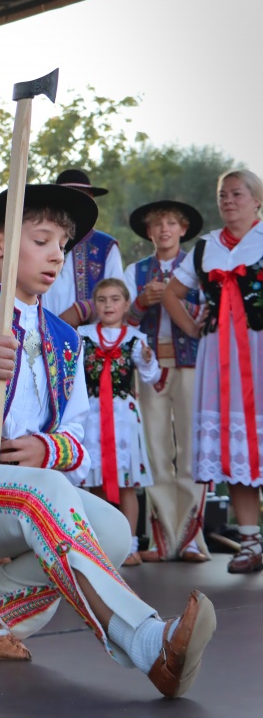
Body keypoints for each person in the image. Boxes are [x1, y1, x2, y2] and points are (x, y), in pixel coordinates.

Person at [0, 183, 216, 699]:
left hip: (23, 499)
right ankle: (147, 642)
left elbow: (77, 436)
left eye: (62, 246)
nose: (56, 256)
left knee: (114, 531)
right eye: (41, 241)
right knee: (49, 493)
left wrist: (49, 449)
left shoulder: (65, 340)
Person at [163, 169, 263, 574]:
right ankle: (250, 541)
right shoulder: (206, 247)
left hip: (258, 349)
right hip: (220, 354)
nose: (228, 201)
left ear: (257, 200)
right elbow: (172, 294)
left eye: (237, 194)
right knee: (233, 443)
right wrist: (192, 328)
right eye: (223, 195)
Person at [125, 199, 210, 563]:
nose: (164, 229)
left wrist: (176, 301)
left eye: (171, 223)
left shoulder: (200, 266)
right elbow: (121, 320)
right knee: (155, 450)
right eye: (157, 224)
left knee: (192, 448)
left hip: (192, 364)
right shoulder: (135, 271)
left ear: (183, 229)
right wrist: (143, 301)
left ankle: (190, 538)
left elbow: (209, 314)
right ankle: (163, 539)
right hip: (149, 367)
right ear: (148, 232)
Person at [78, 278, 161, 566]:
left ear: (126, 305)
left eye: (115, 299)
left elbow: (151, 377)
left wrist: (148, 360)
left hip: (123, 418)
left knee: (127, 481)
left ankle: (129, 545)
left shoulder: (136, 339)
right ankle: (100, 543)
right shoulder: (83, 335)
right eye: (102, 300)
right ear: (95, 305)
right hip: (92, 417)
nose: (108, 305)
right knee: (96, 481)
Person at [41, 169, 123, 327]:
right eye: (65, 197)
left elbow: (118, 294)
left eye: (81, 197)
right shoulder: (38, 241)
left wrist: (82, 309)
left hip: (90, 337)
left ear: (91, 201)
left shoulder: (105, 246)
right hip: (39, 332)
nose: (73, 204)